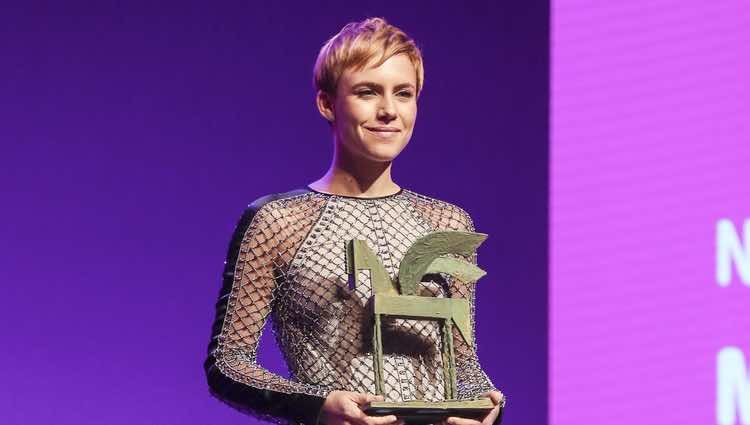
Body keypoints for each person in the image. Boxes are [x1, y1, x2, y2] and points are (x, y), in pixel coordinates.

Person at [204, 17, 505, 425]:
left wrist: (482, 403)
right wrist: (317, 405)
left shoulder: (446, 223)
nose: (388, 111)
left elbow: (462, 362)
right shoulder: (279, 222)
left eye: (404, 93)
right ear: (327, 103)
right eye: (367, 92)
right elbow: (228, 363)